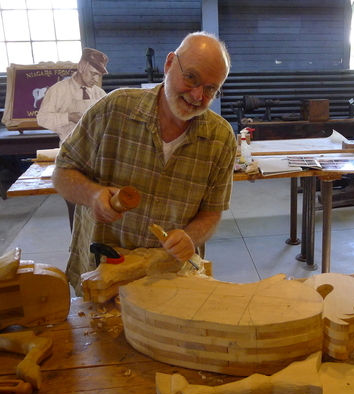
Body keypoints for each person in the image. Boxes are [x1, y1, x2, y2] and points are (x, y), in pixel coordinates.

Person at [52, 32, 236, 295]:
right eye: (191, 77)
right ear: (169, 64)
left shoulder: (220, 138)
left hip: (171, 275)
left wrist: (191, 237)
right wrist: (92, 195)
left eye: (210, 89)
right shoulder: (114, 109)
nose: (197, 95)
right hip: (104, 269)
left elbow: (211, 212)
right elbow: (62, 172)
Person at [37, 47, 109, 143]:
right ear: (81, 67)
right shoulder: (58, 90)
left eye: (99, 75)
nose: (96, 80)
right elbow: (42, 119)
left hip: (96, 147)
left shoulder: (100, 93)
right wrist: (69, 117)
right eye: (93, 73)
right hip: (69, 147)